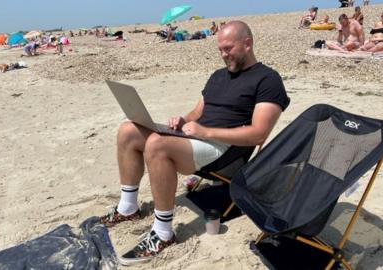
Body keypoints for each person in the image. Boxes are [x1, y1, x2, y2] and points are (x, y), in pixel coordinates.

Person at [100, 20, 290, 266]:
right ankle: (128, 208)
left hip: (223, 148)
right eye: (220, 49)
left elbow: (258, 134)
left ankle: (163, 234)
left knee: (157, 144)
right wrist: (181, 121)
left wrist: (206, 132)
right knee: (128, 130)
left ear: (248, 43)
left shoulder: (267, 79)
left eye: (229, 48)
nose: (224, 55)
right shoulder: (218, 76)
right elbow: (196, 114)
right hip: (196, 136)